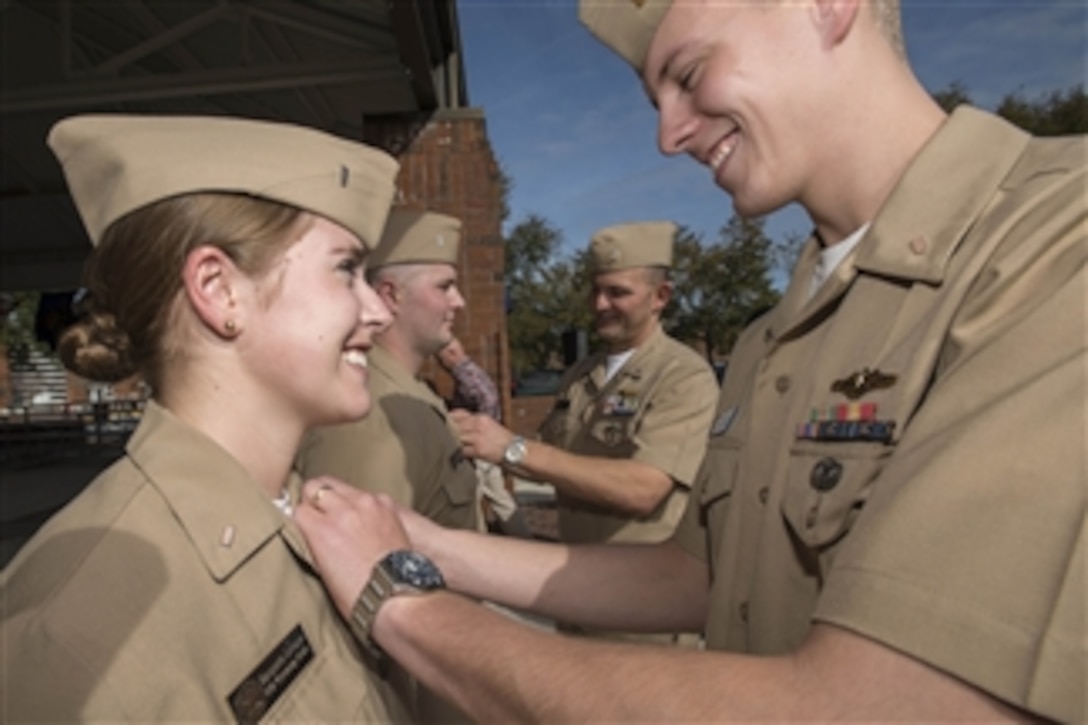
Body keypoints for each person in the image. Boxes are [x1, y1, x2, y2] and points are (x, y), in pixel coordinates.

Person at [293, 0, 1085, 721]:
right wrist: (421, 544)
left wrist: (402, 603)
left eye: (691, 74)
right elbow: (696, 577)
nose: (668, 135)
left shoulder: (1052, 251)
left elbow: (883, 704)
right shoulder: (772, 339)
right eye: (655, 98)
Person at [0, 114, 410, 720]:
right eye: (346, 269)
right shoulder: (77, 633)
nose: (378, 311)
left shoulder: (312, 518)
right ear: (219, 290)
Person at [452, 220, 718, 643]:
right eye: (595, 289)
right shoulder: (581, 374)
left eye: (618, 292)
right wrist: (471, 441)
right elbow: (551, 458)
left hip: (642, 611)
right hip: (578, 596)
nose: (600, 304)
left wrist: (513, 449)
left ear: (660, 297)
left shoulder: (683, 378)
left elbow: (643, 488)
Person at [297, 209, 479, 531]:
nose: (459, 301)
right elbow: (366, 564)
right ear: (390, 295)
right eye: (444, 287)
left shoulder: (405, 391)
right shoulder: (372, 413)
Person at [436, 336, 534, 539]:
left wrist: (474, 423)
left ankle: (478, 541)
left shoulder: (467, 375)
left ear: (451, 354)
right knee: (500, 499)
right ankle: (523, 538)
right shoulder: (471, 372)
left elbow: (487, 401)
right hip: (485, 446)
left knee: (472, 498)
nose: (439, 363)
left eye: (441, 357)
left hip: (479, 447)